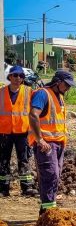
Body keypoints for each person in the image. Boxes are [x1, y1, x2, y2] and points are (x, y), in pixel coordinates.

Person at [28, 69, 75, 214]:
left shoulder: (59, 96)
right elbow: (33, 115)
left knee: (55, 176)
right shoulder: (43, 94)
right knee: (50, 174)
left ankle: (48, 208)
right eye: (66, 85)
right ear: (58, 82)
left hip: (59, 142)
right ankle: (47, 212)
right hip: (46, 144)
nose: (68, 88)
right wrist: (39, 139)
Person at [0, 66, 37, 196]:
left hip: (22, 132)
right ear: (9, 77)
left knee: (24, 159)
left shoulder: (29, 91)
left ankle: (26, 188)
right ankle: (3, 189)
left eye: (21, 76)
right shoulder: (1, 92)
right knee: (3, 160)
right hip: (4, 132)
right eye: (15, 75)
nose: (18, 78)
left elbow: (35, 111)